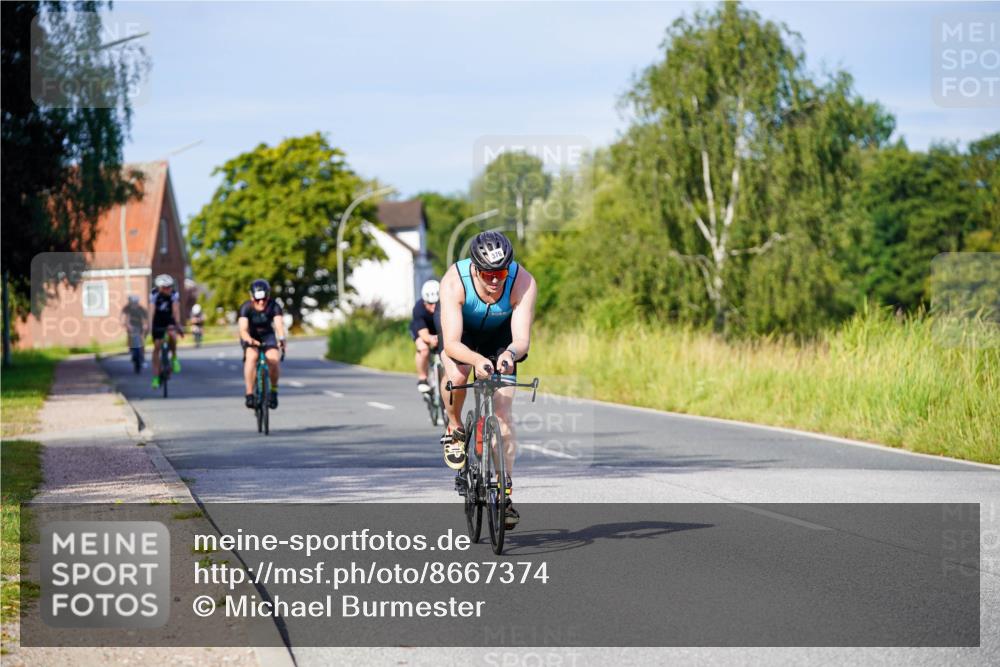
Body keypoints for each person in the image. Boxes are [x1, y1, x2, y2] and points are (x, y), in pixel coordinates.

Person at [437, 231, 537, 529]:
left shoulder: (523, 281)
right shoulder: (454, 281)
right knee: (457, 374)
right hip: (462, 336)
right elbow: (452, 343)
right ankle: (454, 426)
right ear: (474, 268)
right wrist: (477, 360)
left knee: (504, 416)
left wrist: (508, 354)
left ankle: (503, 495)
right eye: (488, 274)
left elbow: (521, 340)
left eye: (501, 273)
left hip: (500, 338)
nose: (495, 280)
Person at [238, 279, 287, 409]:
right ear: (251, 297)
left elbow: (279, 325)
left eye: (264, 299)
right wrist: (249, 340)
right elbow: (243, 330)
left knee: (273, 359)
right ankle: (249, 393)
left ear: (268, 296)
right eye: (257, 299)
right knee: (252, 357)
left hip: (267, 335)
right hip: (251, 336)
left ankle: (274, 391)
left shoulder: (274, 306)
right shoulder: (246, 307)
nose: (261, 303)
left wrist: (281, 339)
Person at [150, 274, 184, 388]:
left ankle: (174, 357)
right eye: (166, 287)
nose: (169, 289)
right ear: (160, 288)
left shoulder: (174, 294)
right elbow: (151, 312)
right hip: (157, 321)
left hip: (169, 319)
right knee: (157, 348)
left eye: (170, 286)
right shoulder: (154, 294)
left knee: (172, 335)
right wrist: (149, 326)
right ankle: (155, 377)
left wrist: (178, 325)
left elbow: (175, 310)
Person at [410, 279, 440, 393]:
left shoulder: (446, 305)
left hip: (438, 329)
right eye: (430, 303)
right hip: (422, 329)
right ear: (424, 302)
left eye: (437, 303)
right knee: (423, 349)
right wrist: (431, 339)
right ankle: (422, 378)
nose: (434, 307)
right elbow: (425, 335)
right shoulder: (418, 309)